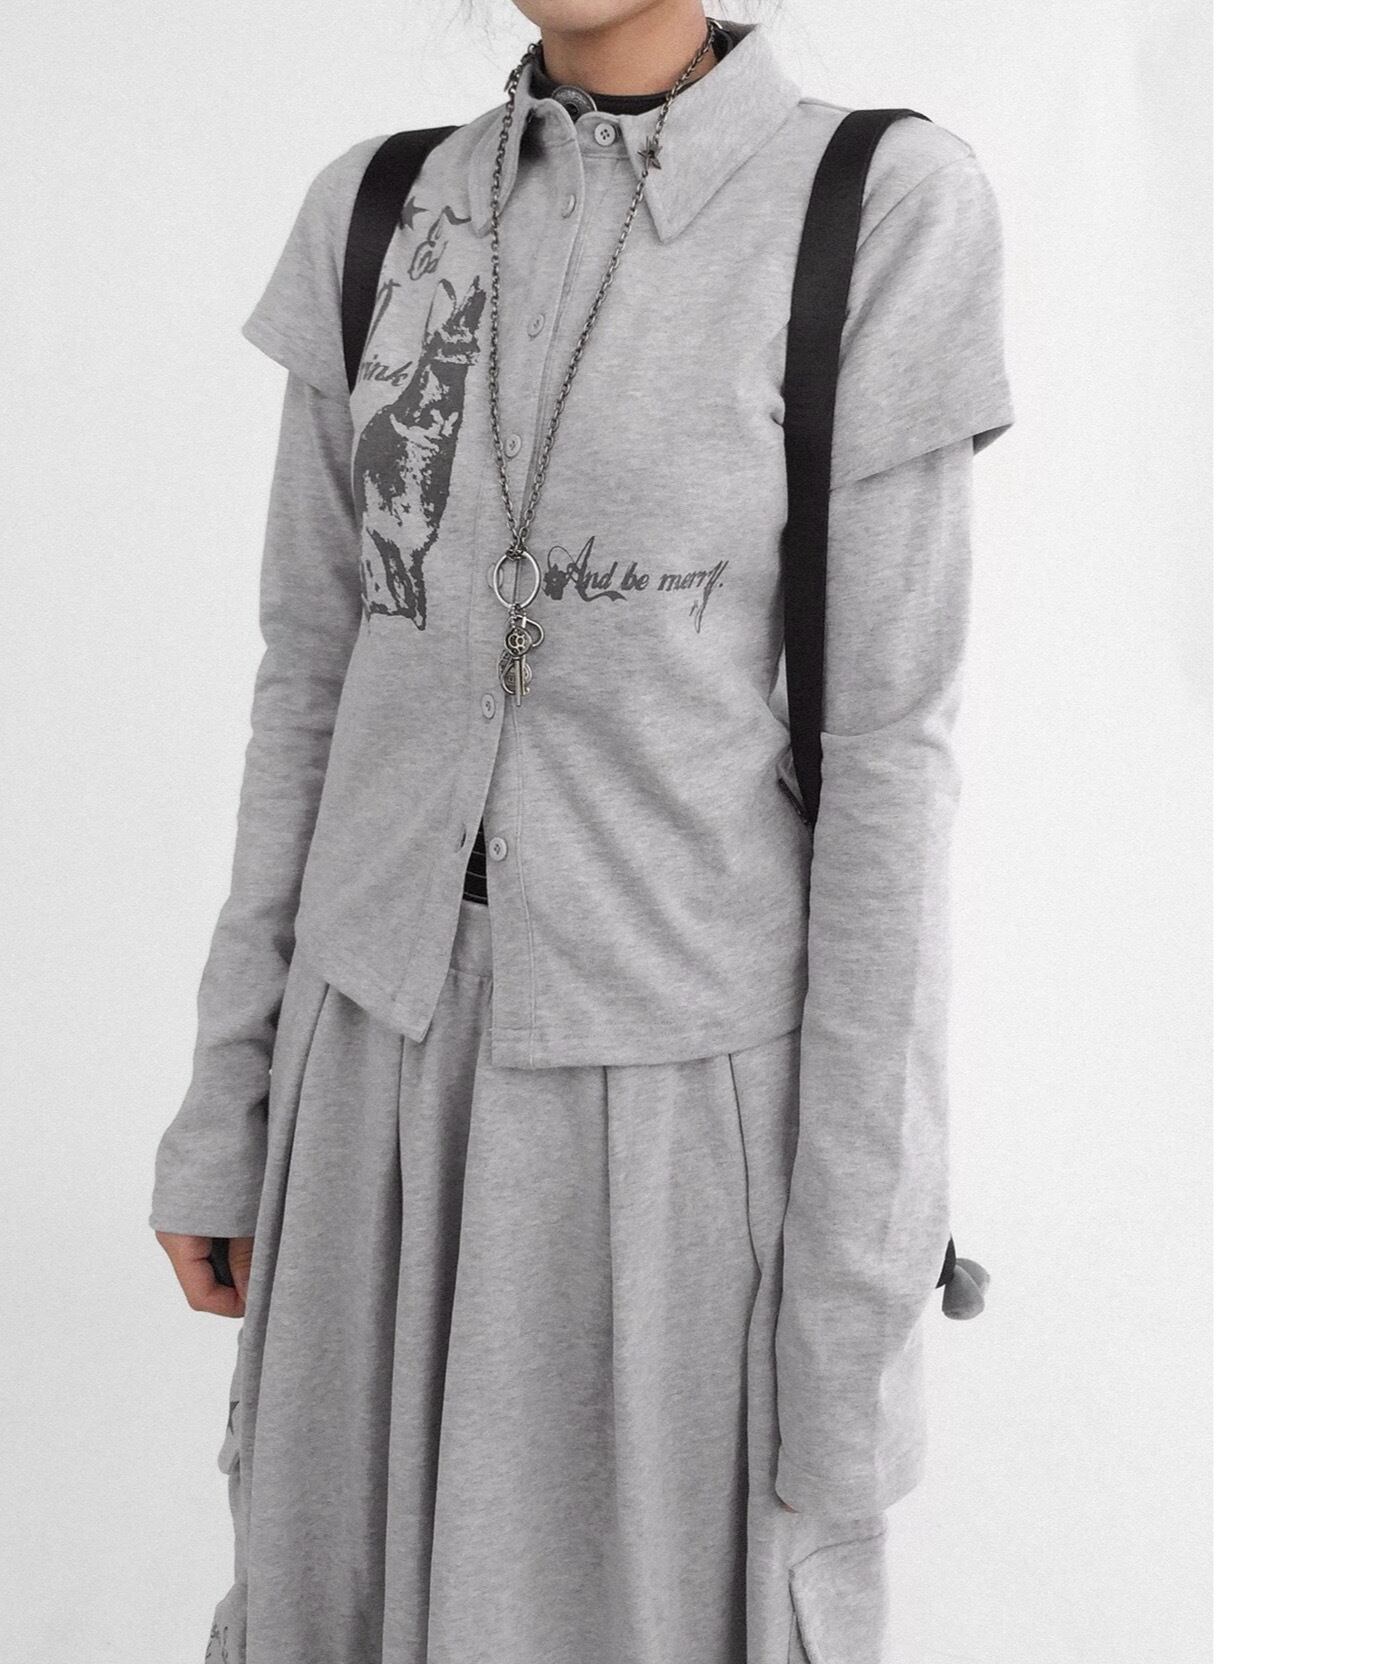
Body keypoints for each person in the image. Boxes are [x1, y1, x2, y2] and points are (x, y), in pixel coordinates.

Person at [150, 4, 1013, 1660]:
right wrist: (227, 1100)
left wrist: (862, 1258)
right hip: (367, 1077)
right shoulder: (380, 208)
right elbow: (313, 679)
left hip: (677, 1099)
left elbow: (890, 761)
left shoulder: (874, 206)